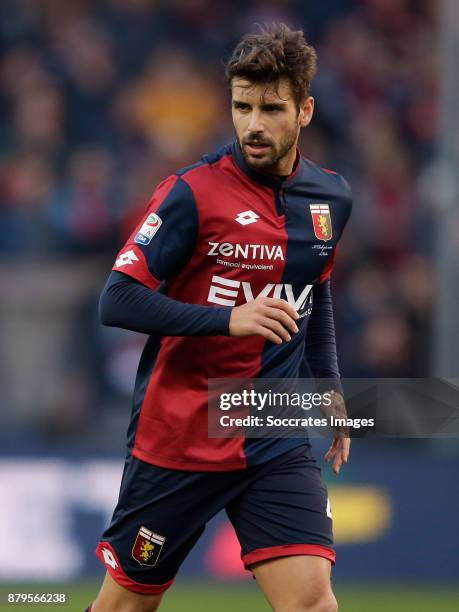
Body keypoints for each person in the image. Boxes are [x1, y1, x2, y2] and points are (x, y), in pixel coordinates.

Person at [89, 23, 352, 612]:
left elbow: (316, 295)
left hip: (271, 430)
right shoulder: (191, 192)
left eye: (271, 108)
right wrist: (226, 318)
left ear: (305, 110)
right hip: (181, 433)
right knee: (126, 606)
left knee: (313, 602)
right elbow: (116, 299)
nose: (254, 124)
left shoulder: (331, 199)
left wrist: (329, 386)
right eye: (241, 106)